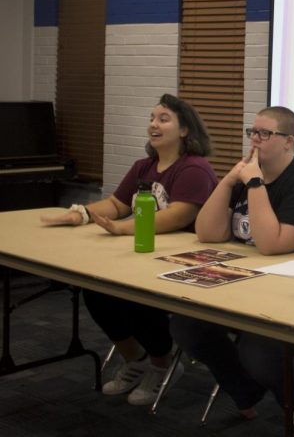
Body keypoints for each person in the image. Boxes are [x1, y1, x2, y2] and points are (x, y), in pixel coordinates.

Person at [170, 106, 294, 437]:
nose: (255, 140)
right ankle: (244, 389)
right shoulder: (246, 176)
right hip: (247, 283)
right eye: (253, 132)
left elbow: (271, 244)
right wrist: (230, 180)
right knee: (186, 325)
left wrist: (256, 183)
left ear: (289, 142)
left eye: (264, 133)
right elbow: (207, 232)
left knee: (258, 348)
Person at [40, 93, 218, 405]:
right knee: (94, 290)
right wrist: (80, 214)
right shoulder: (142, 166)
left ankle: (163, 365)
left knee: (137, 301)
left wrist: (121, 228)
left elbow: (177, 216)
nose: (153, 124)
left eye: (163, 119)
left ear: (185, 130)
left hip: (177, 264)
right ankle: (136, 360)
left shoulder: (195, 168)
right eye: (152, 118)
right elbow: (116, 204)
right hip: (139, 254)